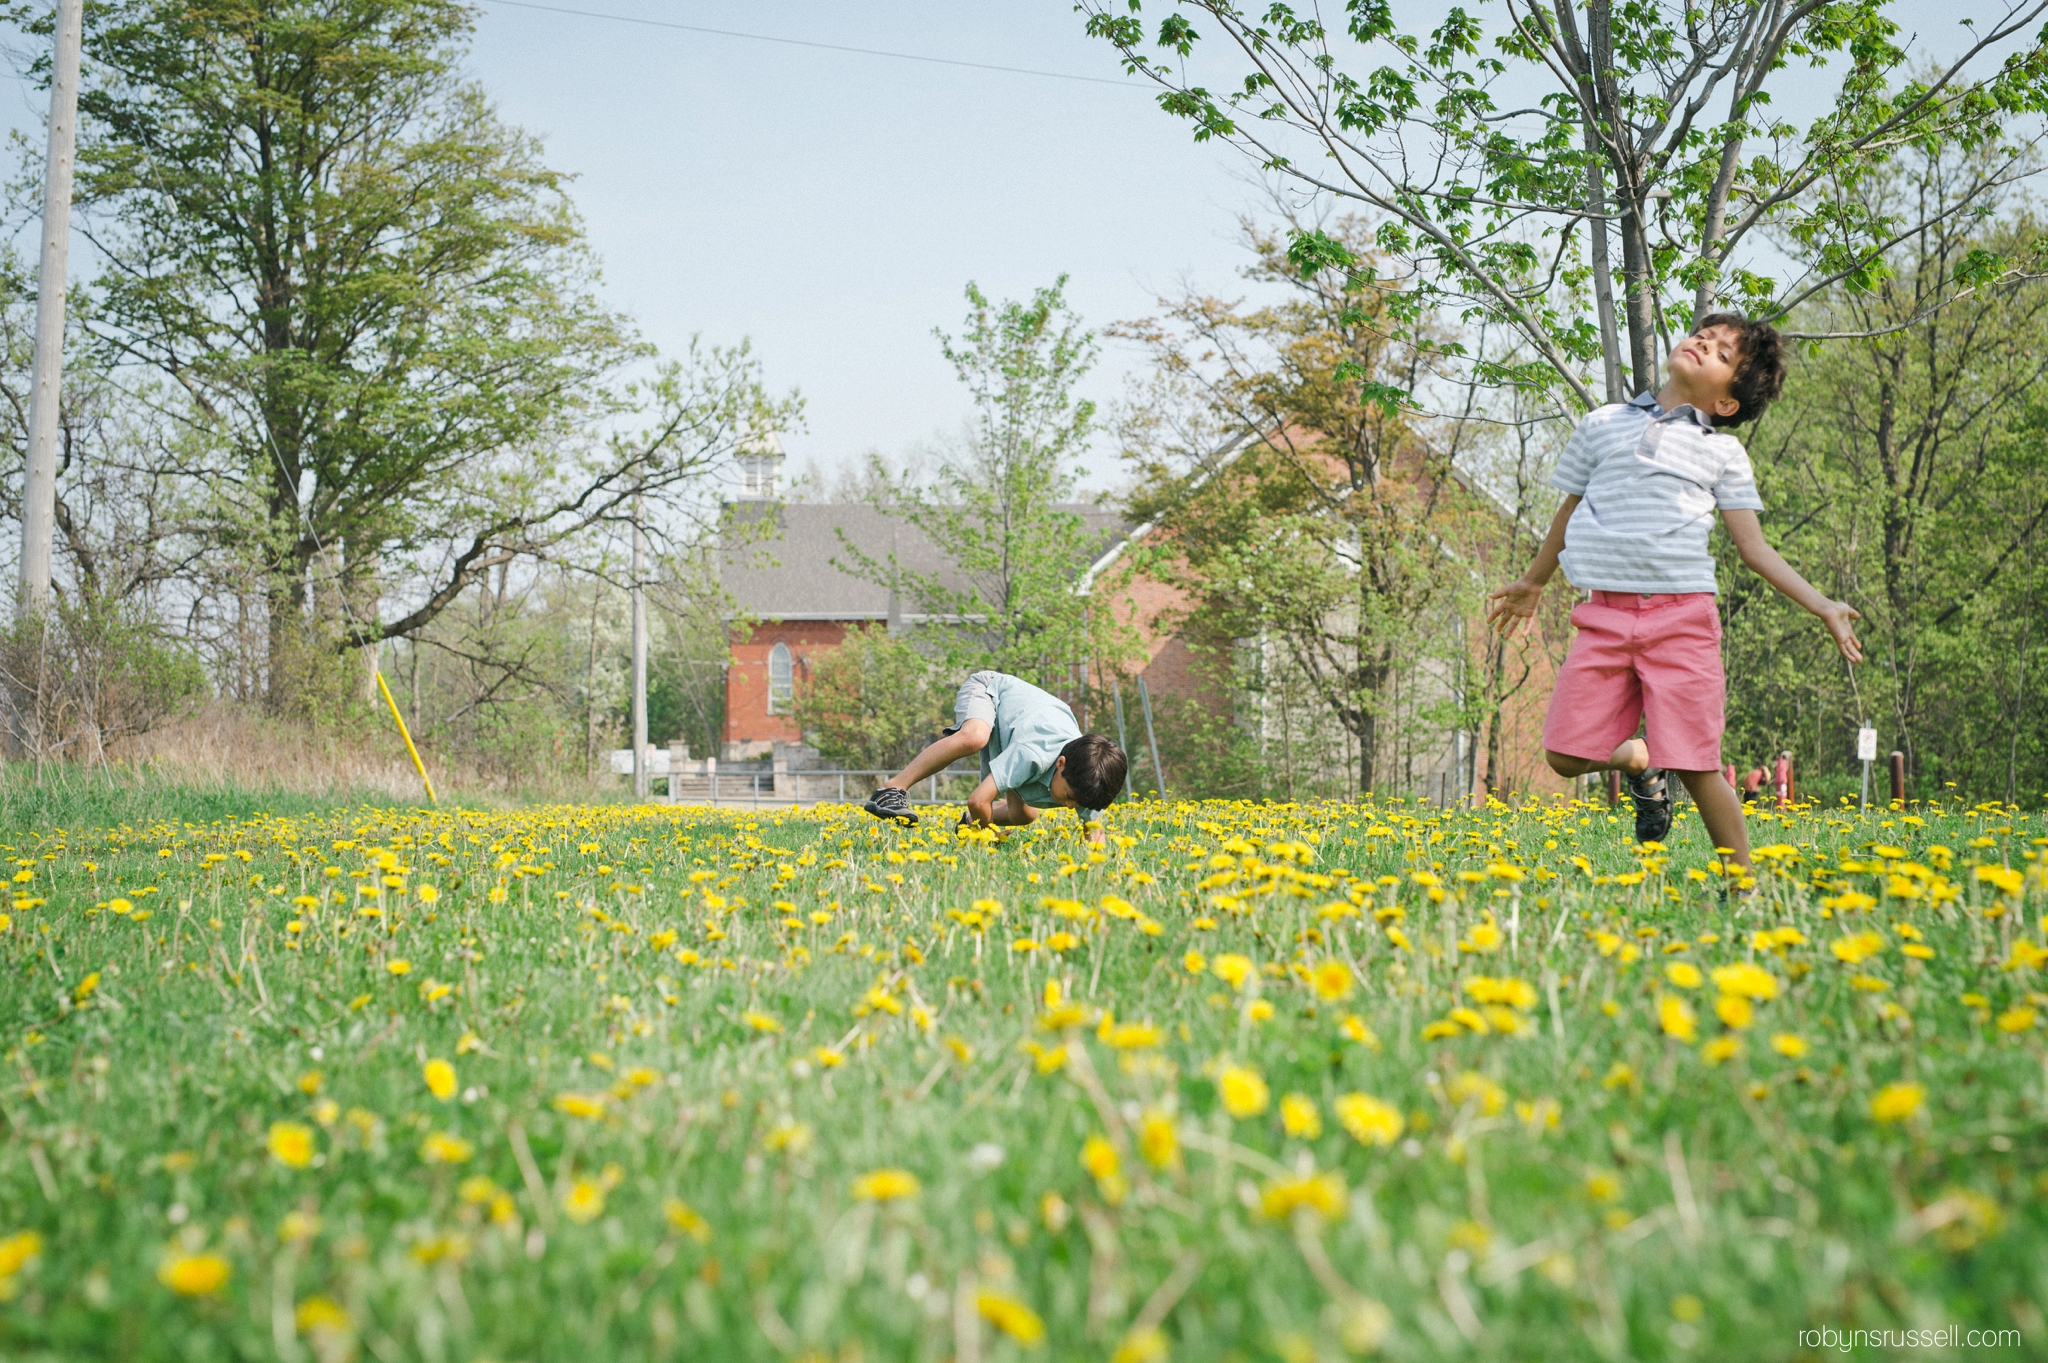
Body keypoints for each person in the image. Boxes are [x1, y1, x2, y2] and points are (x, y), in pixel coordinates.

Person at [1485, 313, 1863, 878]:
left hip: (1682, 621)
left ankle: (1743, 888)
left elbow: (1755, 550)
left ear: (1729, 402)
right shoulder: (1602, 423)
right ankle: (1638, 758)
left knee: (1696, 764)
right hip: (1603, 616)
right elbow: (1568, 511)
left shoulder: (1722, 454)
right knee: (1563, 758)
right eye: (1702, 337)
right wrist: (1534, 581)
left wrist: (1823, 605)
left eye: (1720, 353)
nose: (1702, 343)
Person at [862, 671, 1127, 843]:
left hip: (1014, 731)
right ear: (1061, 764)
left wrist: (1095, 866)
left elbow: (1095, 832)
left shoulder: (1087, 777)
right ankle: (891, 789)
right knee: (975, 737)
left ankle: (966, 824)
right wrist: (984, 835)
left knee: (1024, 815)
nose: (1070, 807)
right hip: (991, 692)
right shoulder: (1032, 754)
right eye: (1069, 796)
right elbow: (977, 799)